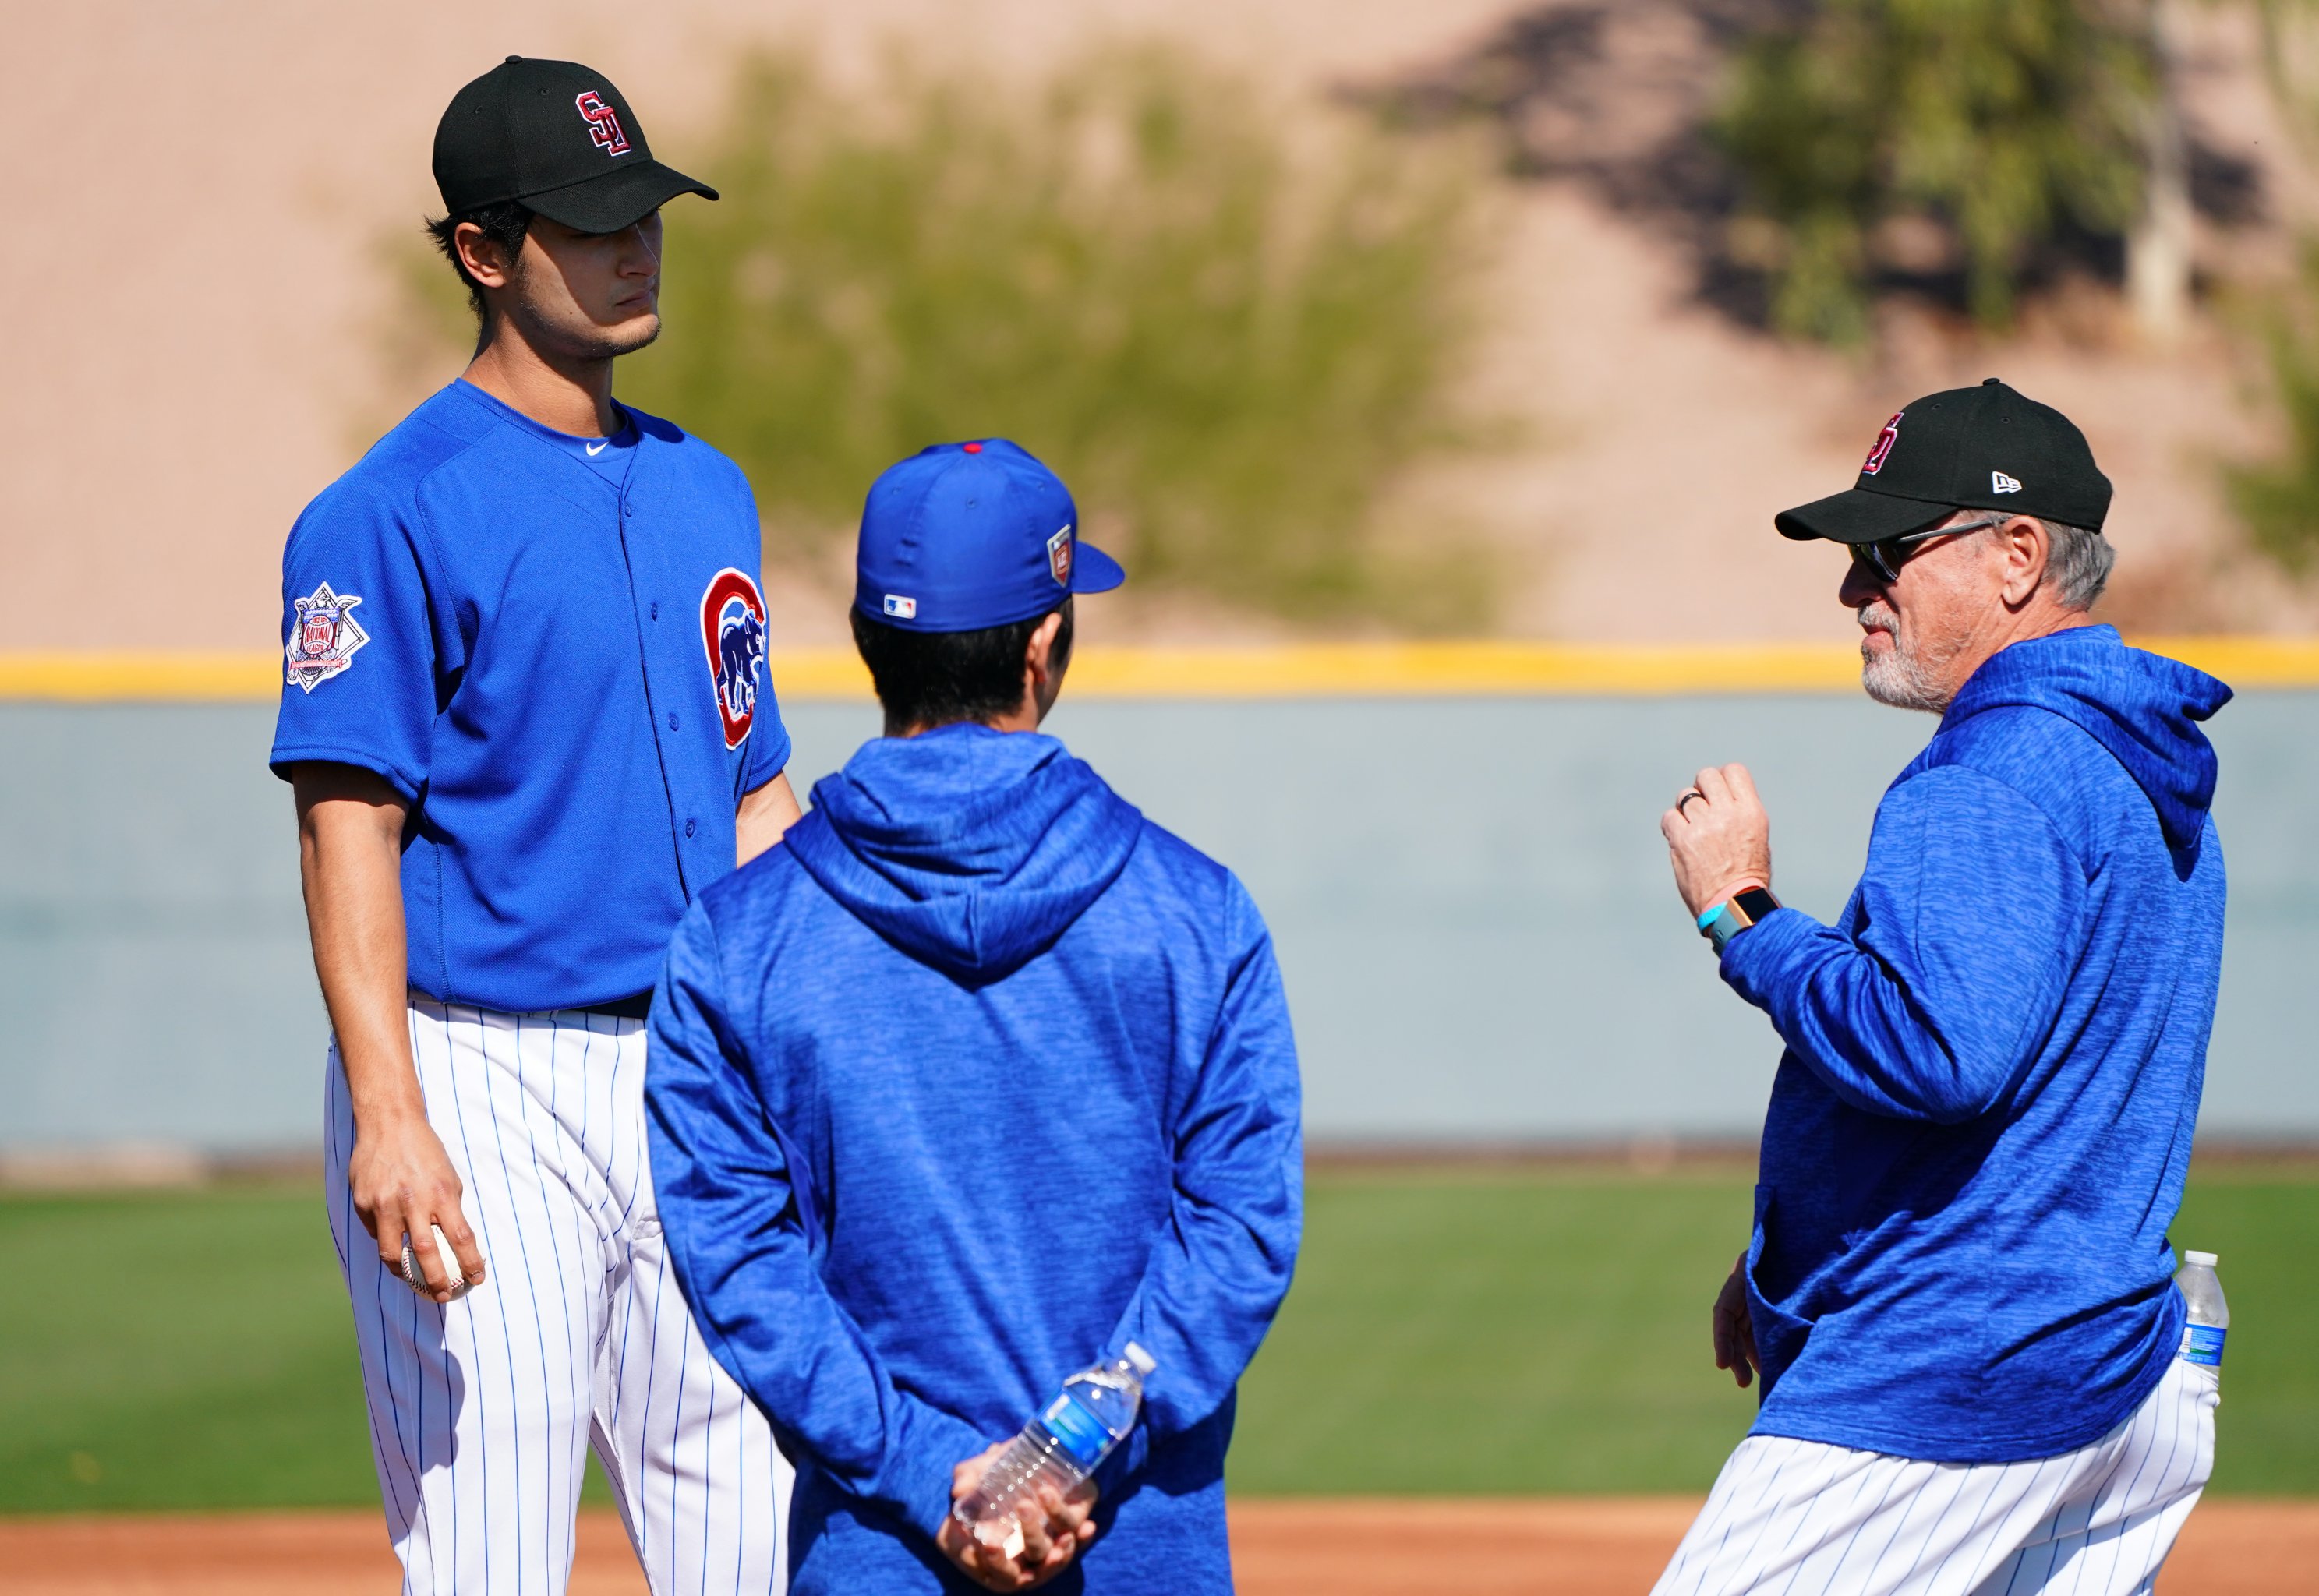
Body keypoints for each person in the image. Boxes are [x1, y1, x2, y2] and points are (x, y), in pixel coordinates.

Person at [272, 56, 795, 1595]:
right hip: (479, 1072)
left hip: (700, 1065)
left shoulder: (709, 487)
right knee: (495, 1551)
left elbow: (759, 794)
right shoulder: (387, 509)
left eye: (643, 210)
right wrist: (388, 1109)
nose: (633, 246)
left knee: (750, 1536)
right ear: (483, 251)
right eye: (587, 221)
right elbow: (346, 825)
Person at [644, 439, 1304, 1594]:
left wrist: (930, 1467)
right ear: (1043, 647)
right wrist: (1066, 1452)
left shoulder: (734, 941)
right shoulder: (1195, 912)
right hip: (1134, 1552)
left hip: (879, 1556)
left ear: (866, 645)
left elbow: (743, 1269)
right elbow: (1240, 1232)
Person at [1652, 380, 2229, 1596]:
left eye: (1888, 550)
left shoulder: (1990, 774)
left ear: (2019, 555)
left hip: (1957, 1368)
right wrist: (1800, 1253)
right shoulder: (2137, 761)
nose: (1856, 590)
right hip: (2113, 1358)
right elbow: (2038, 1086)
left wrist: (1742, 913)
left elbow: (1937, 1052)